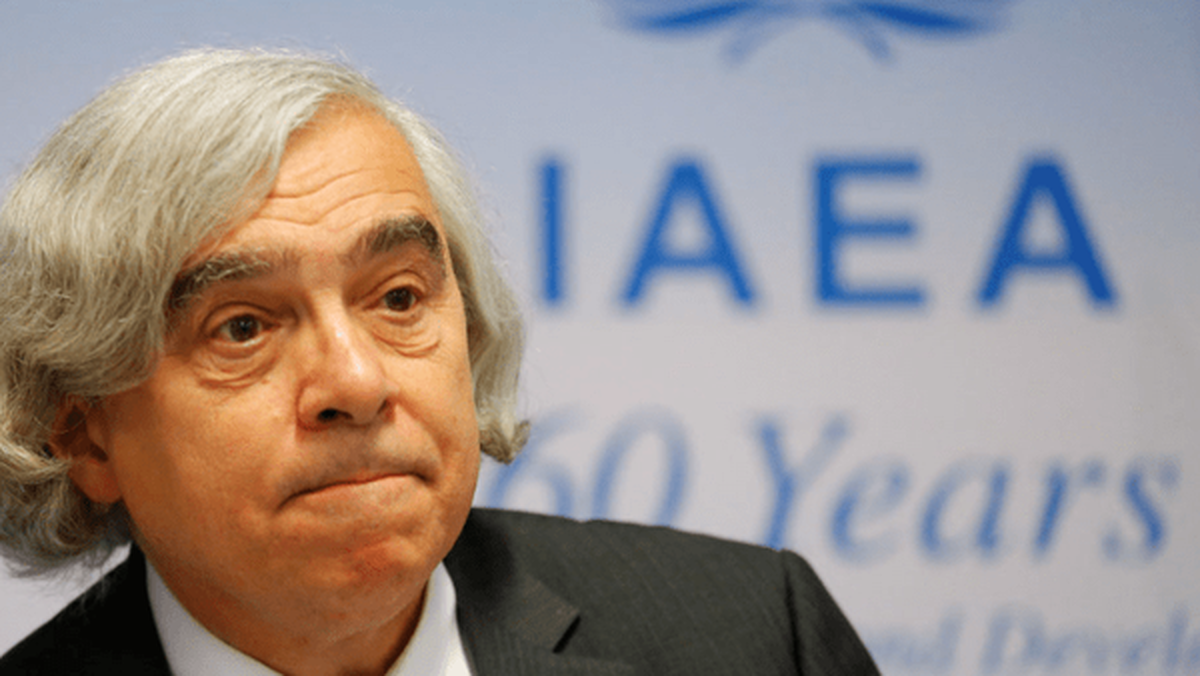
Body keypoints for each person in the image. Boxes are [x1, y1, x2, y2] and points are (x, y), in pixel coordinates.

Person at [0, 48, 879, 675]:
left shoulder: (756, 637)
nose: (357, 382)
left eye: (397, 298)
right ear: (83, 434)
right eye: (241, 328)